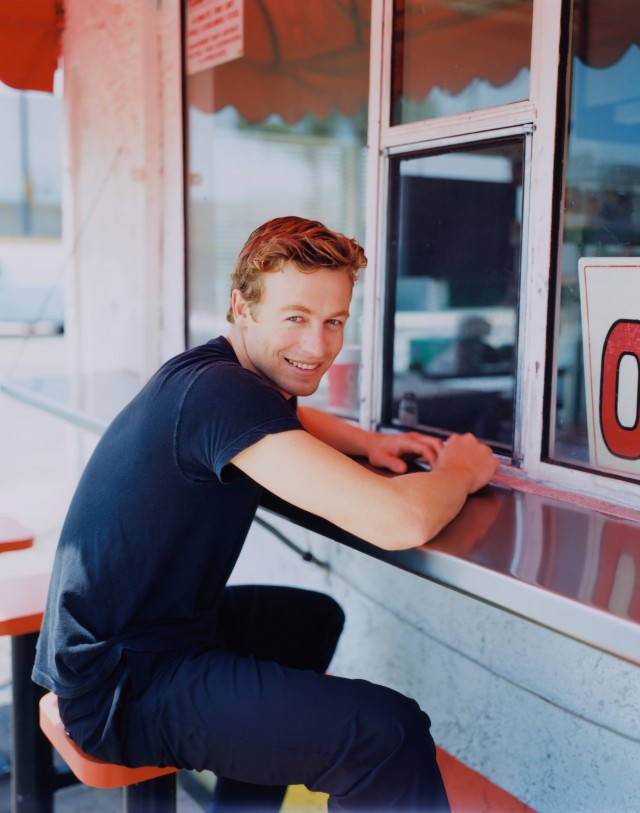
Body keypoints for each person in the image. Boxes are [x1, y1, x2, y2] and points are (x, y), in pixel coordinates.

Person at [33, 216, 497, 812]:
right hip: (122, 684)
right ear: (242, 307)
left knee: (306, 621)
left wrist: (367, 444)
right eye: (296, 318)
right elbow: (399, 522)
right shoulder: (222, 395)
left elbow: (284, 413)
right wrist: (458, 472)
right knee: (387, 734)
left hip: (125, 646)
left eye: (334, 322)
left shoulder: (211, 372)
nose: (318, 346)